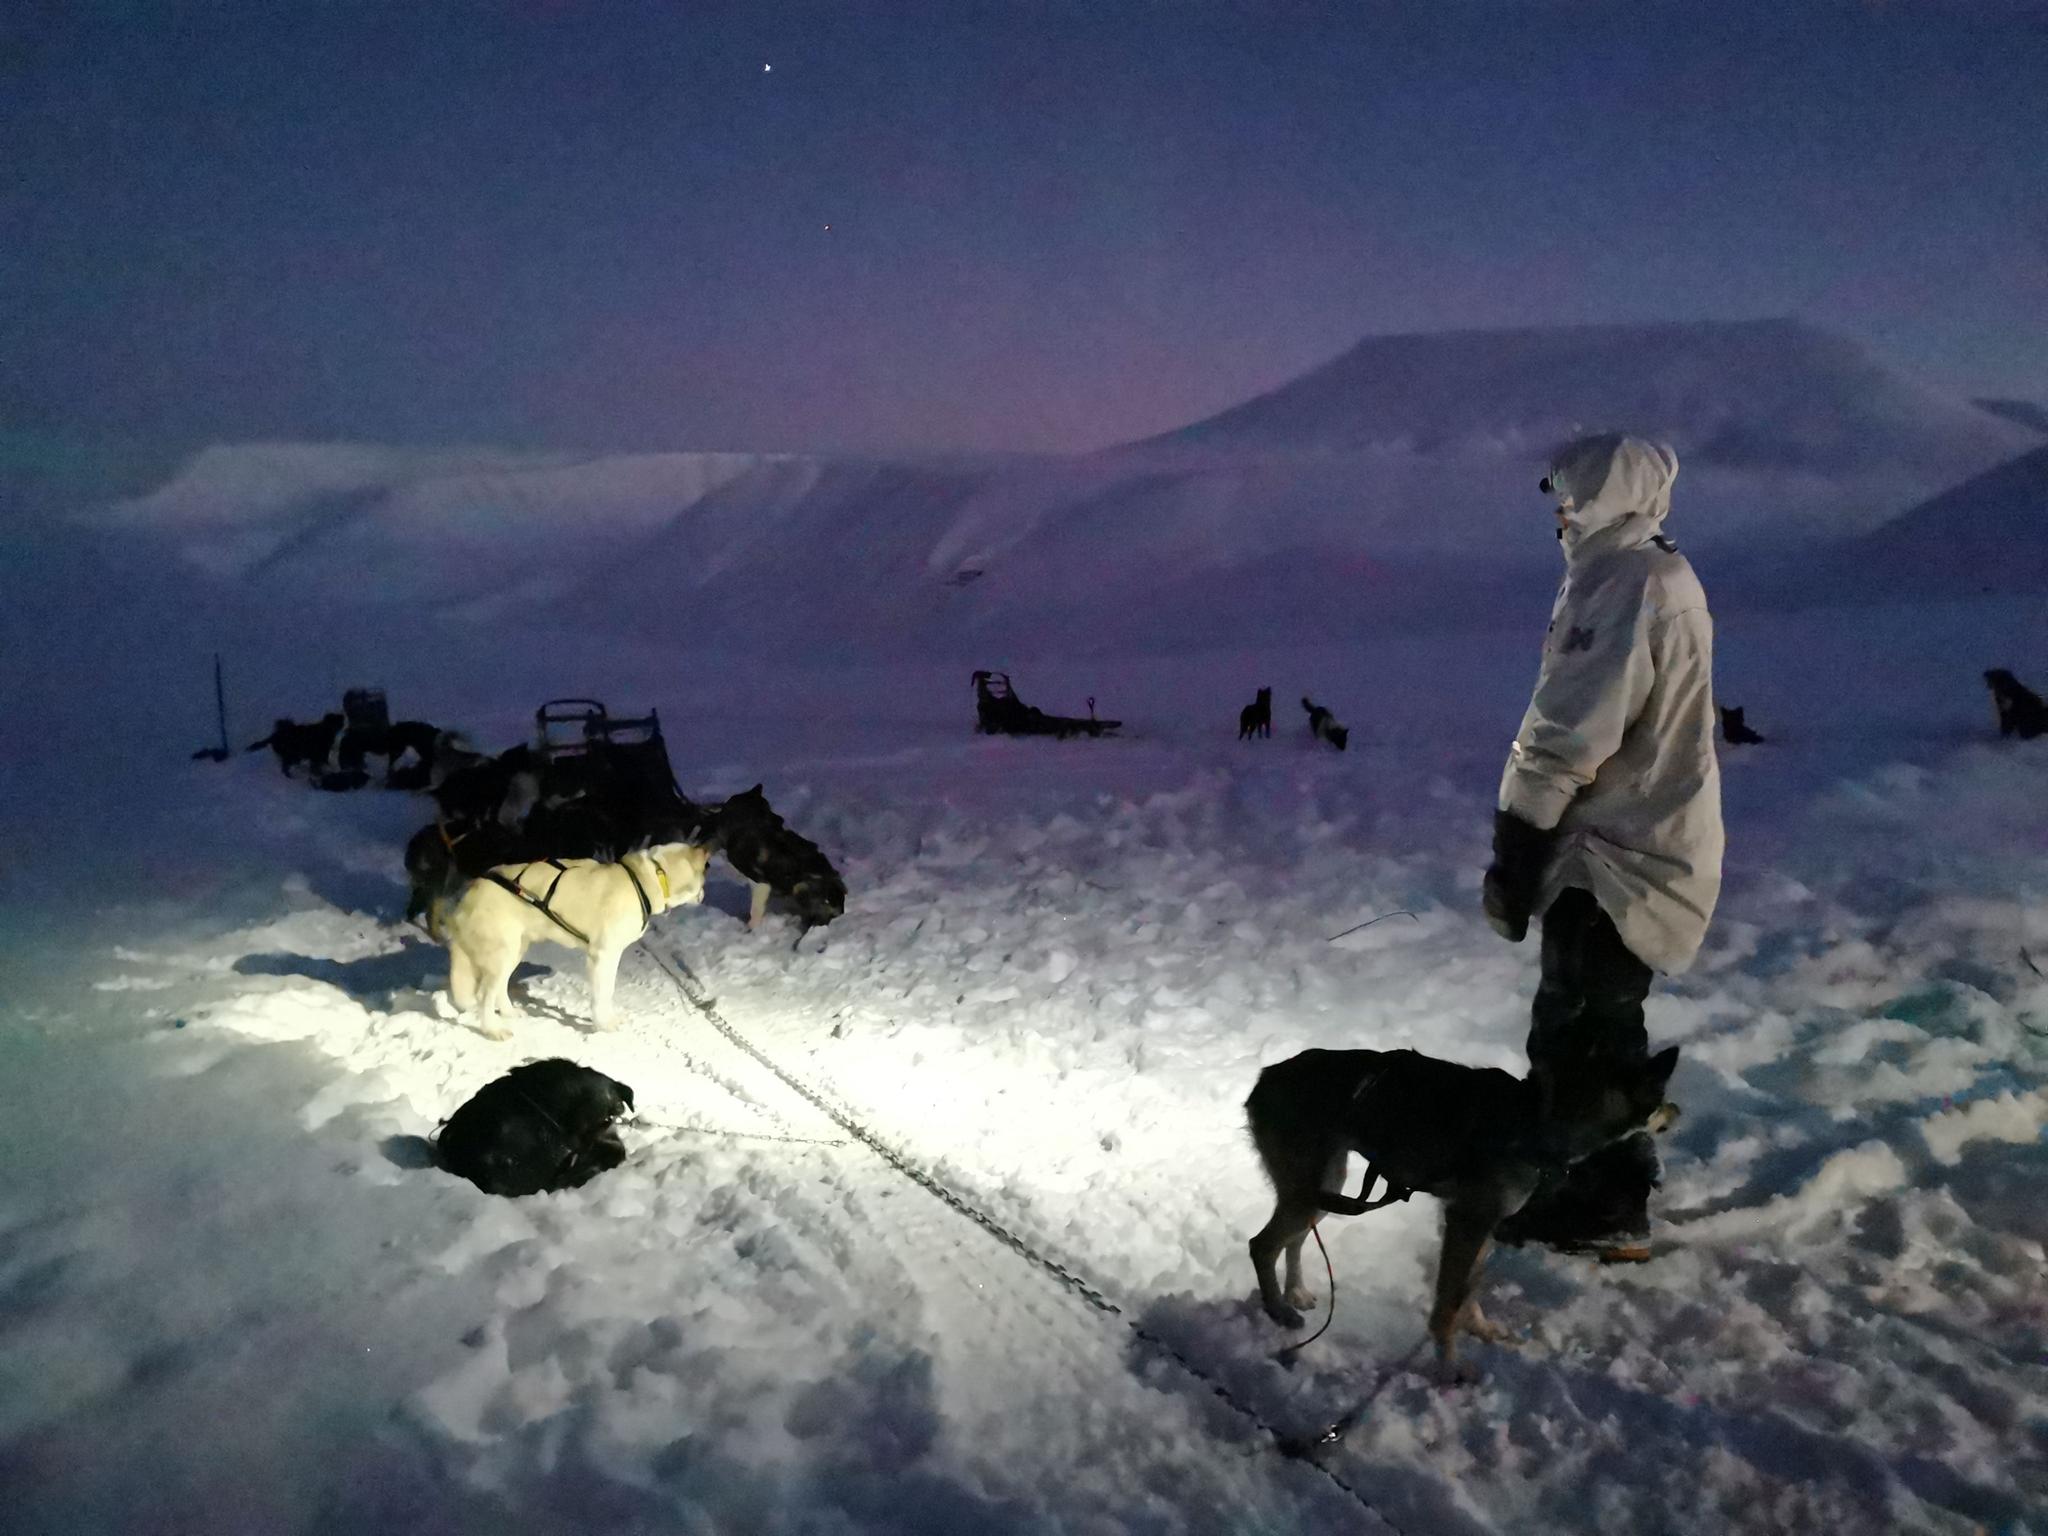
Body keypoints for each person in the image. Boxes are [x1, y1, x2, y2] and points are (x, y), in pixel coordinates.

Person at [1482, 434, 1723, 1260]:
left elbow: (1570, 730)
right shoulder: (1645, 571)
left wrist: (1518, 841)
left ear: (1610, 494)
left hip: (1617, 851)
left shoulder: (1626, 583)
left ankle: (1599, 1203)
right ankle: (1606, 1190)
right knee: (1602, 1030)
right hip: (1632, 843)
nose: (1561, 510)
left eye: (1574, 495)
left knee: (1579, 1032)